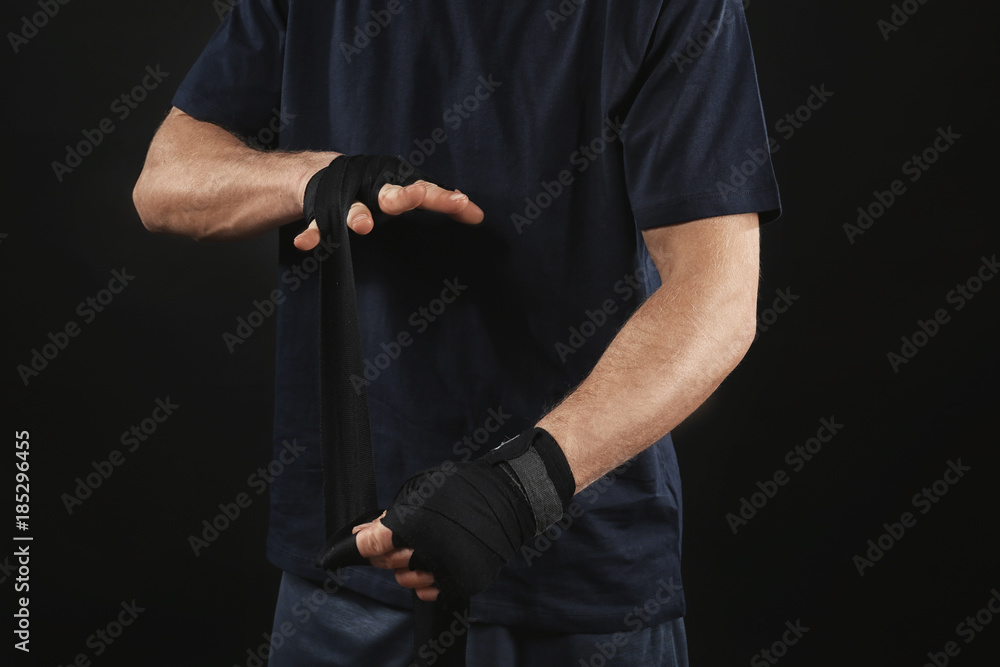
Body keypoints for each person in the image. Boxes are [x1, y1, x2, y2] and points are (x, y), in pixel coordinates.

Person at [133, 0, 780, 664]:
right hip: (348, 571)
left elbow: (717, 300)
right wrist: (307, 177)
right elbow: (165, 177)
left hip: (583, 588)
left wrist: (520, 486)